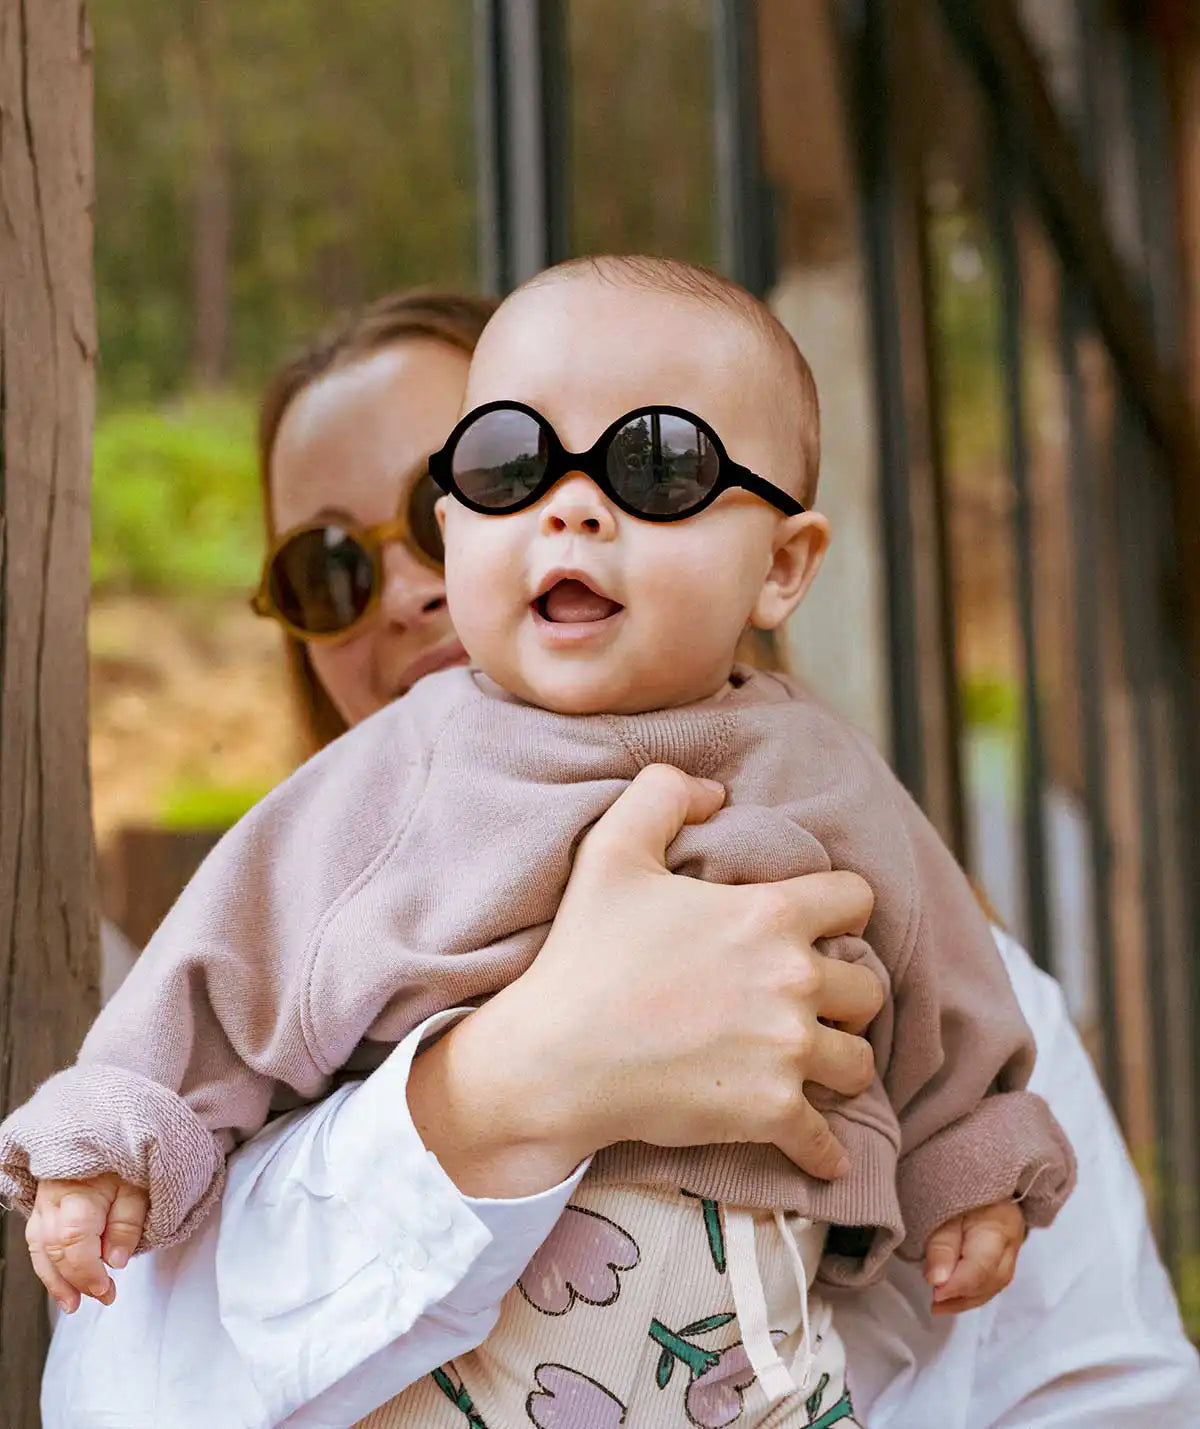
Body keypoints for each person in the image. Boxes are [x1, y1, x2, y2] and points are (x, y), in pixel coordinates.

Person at [34, 284, 1199, 1429]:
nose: (405, 590)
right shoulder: (325, 906)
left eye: (646, 467)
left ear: (780, 563)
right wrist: (504, 1087)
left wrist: (969, 1156)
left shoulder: (866, 868)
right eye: (331, 568)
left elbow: (1102, 1387)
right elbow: (114, 1377)